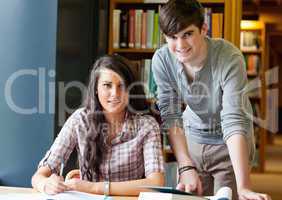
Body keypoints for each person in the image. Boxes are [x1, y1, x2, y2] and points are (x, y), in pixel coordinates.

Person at [151, 0, 271, 200]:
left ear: (203, 29)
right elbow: (170, 113)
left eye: (187, 34)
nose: (180, 45)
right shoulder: (162, 59)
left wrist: (244, 186)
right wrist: (185, 164)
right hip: (193, 140)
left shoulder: (229, 57)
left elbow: (234, 119)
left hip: (229, 145)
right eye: (172, 37)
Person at [32, 54, 165, 196]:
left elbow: (155, 183)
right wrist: (46, 184)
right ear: (96, 88)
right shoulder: (80, 120)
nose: (115, 94)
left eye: (122, 86)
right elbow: (38, 177)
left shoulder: (147, 125)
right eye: (107, 85)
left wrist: (93, 187)